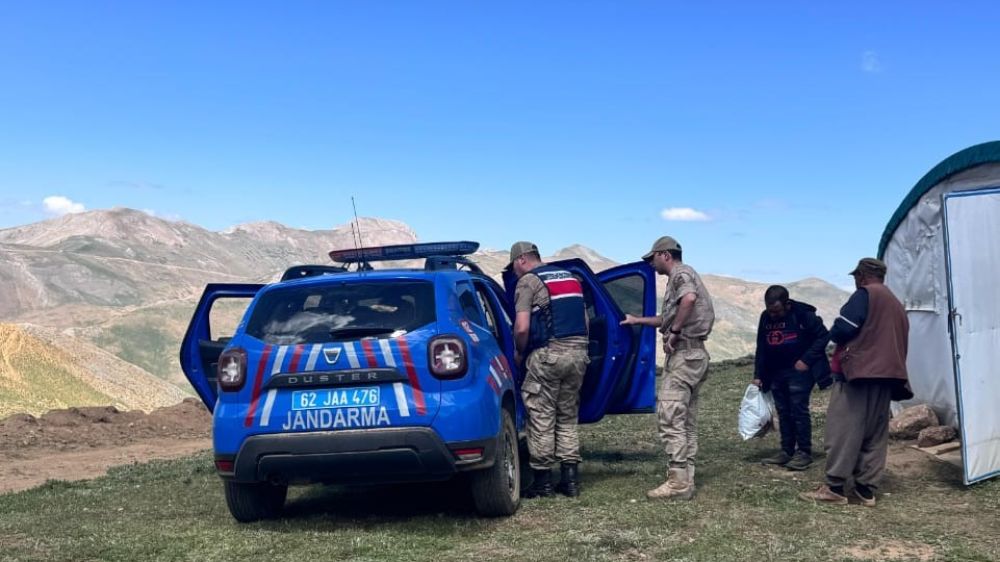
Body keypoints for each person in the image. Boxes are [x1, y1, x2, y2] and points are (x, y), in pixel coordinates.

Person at [799, 258, 911, 507]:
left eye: (855, 277)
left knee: (843, 430)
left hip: (858, 374)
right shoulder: (895, 302)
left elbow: (844, 328)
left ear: (862, 276)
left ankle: (835, 488)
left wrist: (833, 335)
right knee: (875, 433)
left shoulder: (865, 295)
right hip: (887, 376)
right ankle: (865, 489)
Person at [621, 236, 715, 500]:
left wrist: (674, 332)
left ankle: (678, 483)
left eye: (652, 259)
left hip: (685, 354)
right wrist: (637, 320)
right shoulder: (684, 276)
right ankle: (687, 476)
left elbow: (689, 300)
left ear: (665, 255)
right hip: (694, 354)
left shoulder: (680, 275)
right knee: (685, 420)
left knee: (671, 415)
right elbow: (669, 317)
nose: (651, 264)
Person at [507, 241, 590, 498]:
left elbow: (521, 327)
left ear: (521, 260)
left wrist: (519, 353)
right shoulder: (571, 279)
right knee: (567, 416)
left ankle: (543, 482)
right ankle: (570, 480)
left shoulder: (529, 282)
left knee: (541, 417)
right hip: (578, 355)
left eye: (514, 267)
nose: (514, 273)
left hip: (548, 355)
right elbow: (584, 320)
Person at [752, 285, 831, 471]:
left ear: (787, 304)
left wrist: (806, 360)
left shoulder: (804, 315)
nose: (773, 315)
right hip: (775, 372)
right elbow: (761, 346)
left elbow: (824, 337)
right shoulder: (765, 317)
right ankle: (786, 450)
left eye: (777, 311)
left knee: (798, 411)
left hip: (800, 373)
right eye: (770, 311)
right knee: (783, 411)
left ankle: (804, 451)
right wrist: (758, 375)